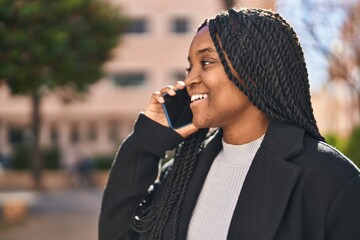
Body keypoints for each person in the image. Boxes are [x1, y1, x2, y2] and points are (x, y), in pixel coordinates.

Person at [99, 8, 360, 240]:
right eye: (190, 67)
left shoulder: (333, 179)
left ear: (254, 71)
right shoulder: (182, 171)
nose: (190, 79)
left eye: (207, 62)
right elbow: (119, 234)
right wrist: (148, 142)